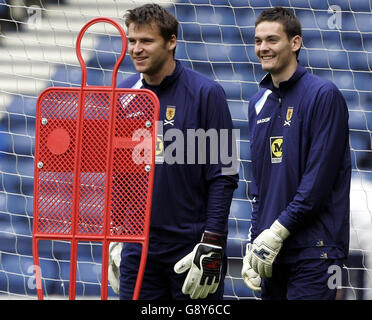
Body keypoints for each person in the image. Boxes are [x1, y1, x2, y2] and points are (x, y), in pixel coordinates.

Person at [108, 3, 239, 300]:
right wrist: (117, 236)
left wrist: (213, 243)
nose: (136, 49)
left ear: (171, 42)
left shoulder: (207, 94)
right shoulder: (124, 95)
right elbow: (119, 174)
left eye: (146, 41)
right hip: (138, 250)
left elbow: (224, 174)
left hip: (192, 249)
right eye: (132, 41)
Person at [241, 7, 351, 300]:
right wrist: (255, 240)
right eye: (258, 41)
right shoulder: (257, 103)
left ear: (295, 43)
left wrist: (277, 231)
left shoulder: (323, 95)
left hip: (315, 251)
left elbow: (317, 182)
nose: (263, 47)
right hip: (270, 253)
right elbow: (260, 186)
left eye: (272, 40)